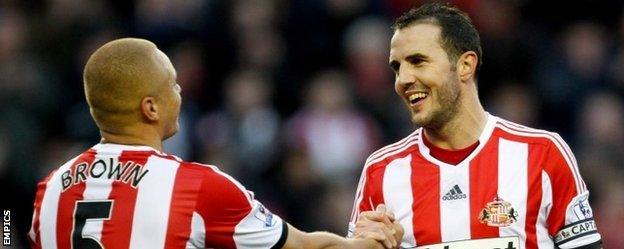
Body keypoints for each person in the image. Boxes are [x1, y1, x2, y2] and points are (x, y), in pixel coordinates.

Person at [28, 38, 402, 249]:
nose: (180, 94)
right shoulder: (197, 187)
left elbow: (9, 227)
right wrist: (367, 242)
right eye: (172, 85)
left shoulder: (48, 190)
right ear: (151, 107)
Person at [348, 3, 602, 249]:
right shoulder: (381, 171)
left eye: (418, 61)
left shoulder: (542, 154)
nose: (403, 79)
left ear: (465, 65)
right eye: (397, 67)